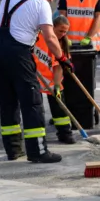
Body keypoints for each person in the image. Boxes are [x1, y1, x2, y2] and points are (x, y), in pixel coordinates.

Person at [0, 0, 75, 163]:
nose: (51, 0)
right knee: (32, 102)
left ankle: (13, 150)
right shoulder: (40, 3)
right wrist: (62, 58)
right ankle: (38, 151)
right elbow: (50, 37)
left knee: (8, 101)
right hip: (19, 53)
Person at [33, 15, 76, 144]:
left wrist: (57, 85)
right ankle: (38, 138)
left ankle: (65, 134)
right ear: (52, 28)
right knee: (37, 109)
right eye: (60, 31)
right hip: (36, 78)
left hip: (52, 80)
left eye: (65, 32)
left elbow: (59, 68)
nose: (63, 34)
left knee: (60, 108)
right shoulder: (38, 37)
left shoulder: (62, 44)